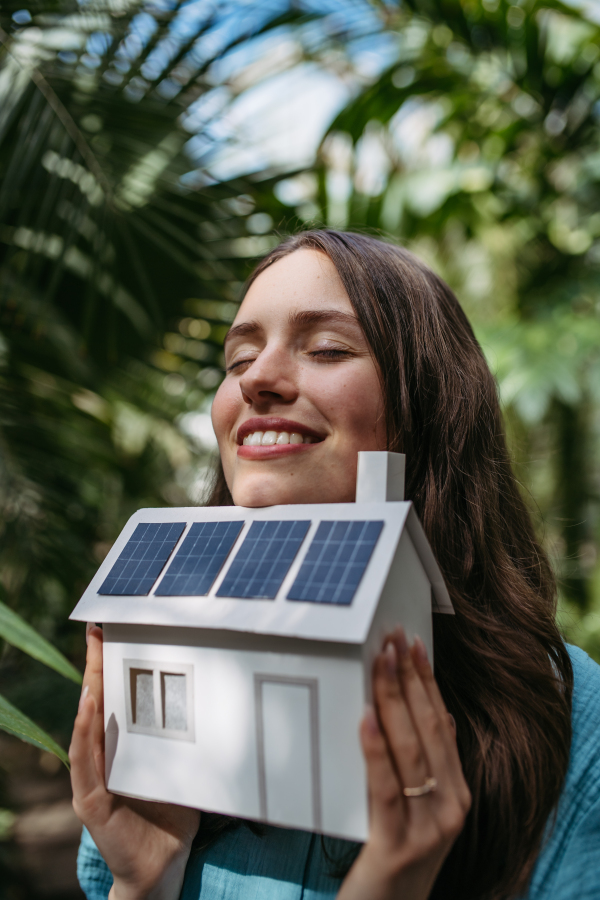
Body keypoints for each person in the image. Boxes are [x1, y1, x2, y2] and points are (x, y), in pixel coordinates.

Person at [71, 231, 600, 900]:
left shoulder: (573, 729)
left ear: (428, 403)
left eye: (326, 348)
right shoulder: (149, 761)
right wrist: (142, 880)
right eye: (237, 359)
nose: (256, 378)